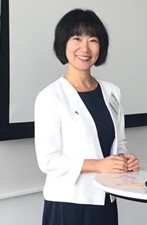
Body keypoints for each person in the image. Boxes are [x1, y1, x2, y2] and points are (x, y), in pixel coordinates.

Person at [34, 8, 139, 225]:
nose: (85, 47)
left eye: (93, 40)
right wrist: (98, 165)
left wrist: (125, 160)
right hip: (69, 204)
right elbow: (48, 160)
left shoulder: (112, 92)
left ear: (101, 47)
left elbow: (118, 144)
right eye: (76, 38)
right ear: (64, 43)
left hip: (106, 199)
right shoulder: (50, 97)